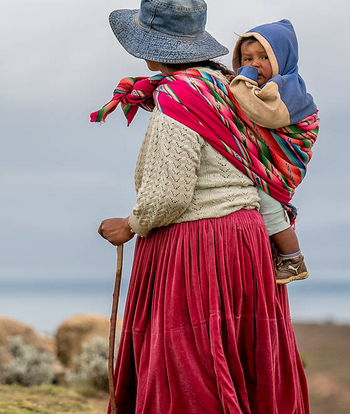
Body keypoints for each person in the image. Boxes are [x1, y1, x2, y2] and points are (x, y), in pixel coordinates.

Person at [91, 0, 309, 412]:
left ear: (151, 46)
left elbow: (169, 194)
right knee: (238, 360)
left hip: (198, 246)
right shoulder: (228, 86)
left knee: (190, 368)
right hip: (247, 242)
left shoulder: (179, 95)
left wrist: (130, 224)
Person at [230, 19, 320, 284]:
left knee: (266, 201)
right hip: (267, 157)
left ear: (282, 58)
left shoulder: (287, 87)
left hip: (284, 158)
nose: (254, 64)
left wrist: (239, 83)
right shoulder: (263, 87)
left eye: (263, 57)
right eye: (247, 58)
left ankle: (293, 258)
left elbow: (264, 115)